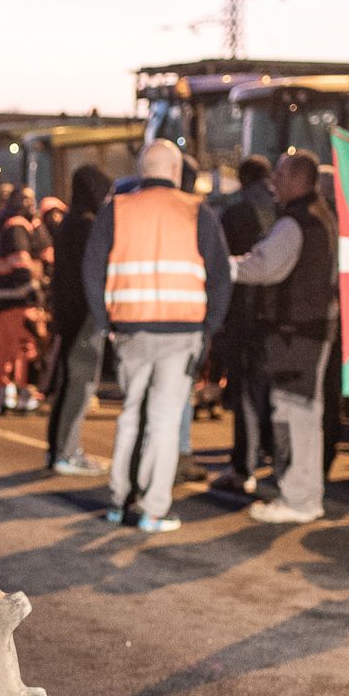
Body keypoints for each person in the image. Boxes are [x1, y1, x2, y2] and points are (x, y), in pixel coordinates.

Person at [80, 139, 231, 532]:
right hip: (182, 332)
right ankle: (153, 508)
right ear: (177, 172)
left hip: (130, 329)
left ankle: (118, 499)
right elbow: (220, 276)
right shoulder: (198, 211)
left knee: (131, 414)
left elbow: (92, 270)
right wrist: (210, 327)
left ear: (142, 170)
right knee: (164, 421)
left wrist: (105, 322)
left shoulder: (117, 210)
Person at [230, 150, 337, 524]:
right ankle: (306, 494)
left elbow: (266, 266)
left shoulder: (295, 223)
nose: (274, 181)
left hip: (294, 335)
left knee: (291, 414)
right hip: (312, 331)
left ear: (298, 180)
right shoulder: (322, 218)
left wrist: (225, 267)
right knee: (306, 414)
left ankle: (298, 498)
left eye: (281, 174)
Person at [213, 154, 278, 495]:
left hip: (245, 314)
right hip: (281, 317)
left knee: (247, 394)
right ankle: (271, 451)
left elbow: (221, 269)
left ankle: (244, 466)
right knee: (273, 390)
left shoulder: (235, 214)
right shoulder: (284, 213)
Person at [42, 164, 112, 474]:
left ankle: (60, 450)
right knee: (79, 384)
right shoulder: (85, 225)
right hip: (84, 315)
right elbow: (92, 275)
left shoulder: (71, 222)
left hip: (69, 314)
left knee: (69, 382)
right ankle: (66, 453)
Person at [0, 186, 47, 412]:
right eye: (25, 199)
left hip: (10, 297)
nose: (30, 204)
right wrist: (33, 291)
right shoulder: (17, 226)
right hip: (16, 297)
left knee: (18, 347)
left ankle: (13, 392)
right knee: (18, 346)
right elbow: (20, 262)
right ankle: (11, 391)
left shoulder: (12, 224)